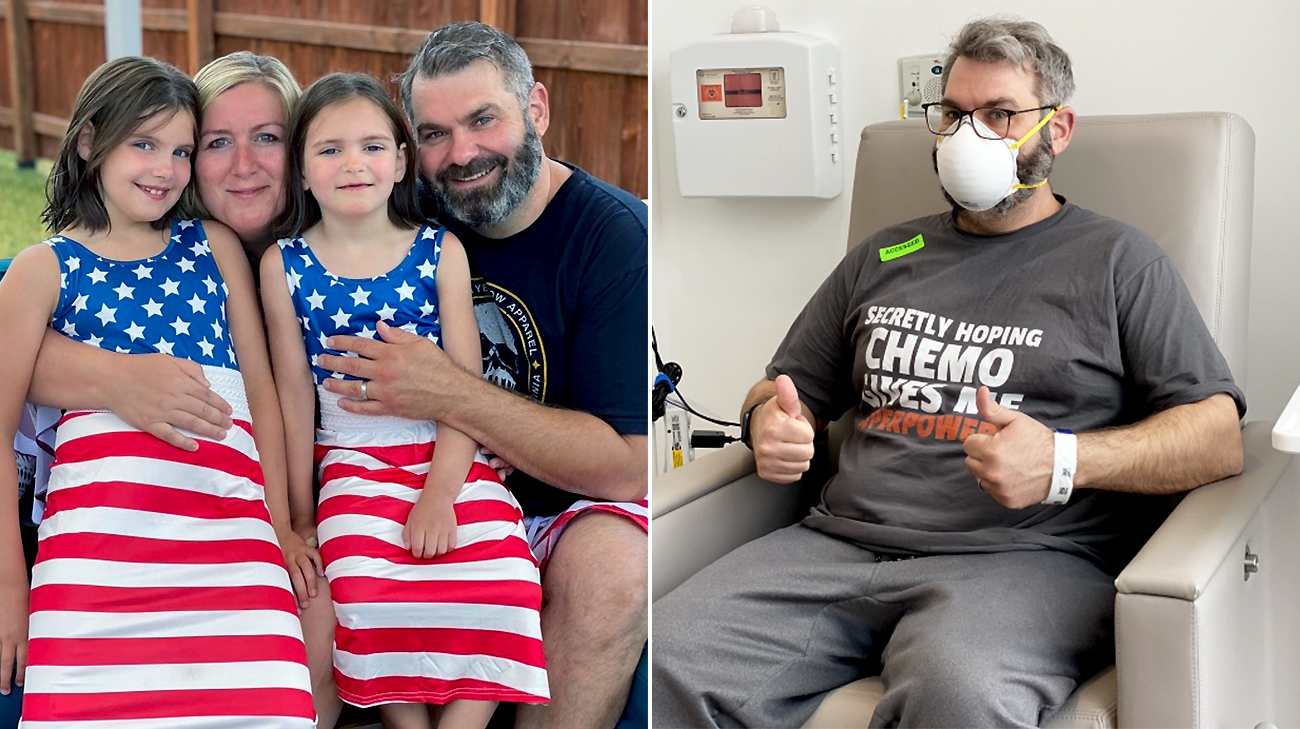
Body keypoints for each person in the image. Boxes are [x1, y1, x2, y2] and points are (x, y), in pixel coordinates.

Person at [652, 17, 1246, 728]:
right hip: (836, 545)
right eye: (956, 114)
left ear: (1057, 131)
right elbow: (782, 391)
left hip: (1023, 560)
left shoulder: (1119, 261)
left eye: (1000, 115)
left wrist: (1063, 459)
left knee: (957, 692)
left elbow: (1218, 438)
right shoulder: (884, 255)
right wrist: (765, 423)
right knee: (663, 654)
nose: (971, 136)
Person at [315, 21, 649, 729]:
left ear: (537, 109)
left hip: (561, 505)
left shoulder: (612, 239)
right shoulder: (406, 213)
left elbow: (625, 467)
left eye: (482, 120)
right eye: (434, 133)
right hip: (415, 483)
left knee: (615, 569)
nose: (461, 154)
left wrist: (448, 389)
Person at [0, 56, 314, 725]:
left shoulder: (212, 246)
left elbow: (259, 392)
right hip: (96, 571)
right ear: (89, 142)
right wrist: (9, 587)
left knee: (271, 706)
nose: (165, 169)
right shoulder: (40, 271)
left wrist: (283, 523)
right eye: (143, 144)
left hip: (232, 552)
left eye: (179, 150)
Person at [261, 71, 549, 728]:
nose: (352, 163)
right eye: (329, 149)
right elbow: (292, 396)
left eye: (371, 146)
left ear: (399, 161)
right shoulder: (285, 266)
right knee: (360, 586)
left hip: (447, 453)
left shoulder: (438, 252)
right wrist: (301, 516)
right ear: (302, 172)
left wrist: (440, 493)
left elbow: (465, 391)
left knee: (507, 578)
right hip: (349, 460)